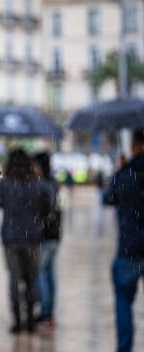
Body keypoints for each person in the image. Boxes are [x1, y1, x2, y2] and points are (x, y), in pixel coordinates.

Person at [0, 149, 51, 334]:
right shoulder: (38, 184)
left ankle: (17, 321)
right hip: (32, 238)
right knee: (31, 281)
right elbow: (48, 208)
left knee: (14, 280)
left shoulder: (5, 184)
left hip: (11, 239)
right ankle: (31, 321)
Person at [103, 130, 144, 352]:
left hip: (129, 248)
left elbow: (107, 198)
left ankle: (125, 348)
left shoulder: (126, 173)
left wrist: (119, 171)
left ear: (135, 146)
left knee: (123, 300)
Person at [33, 152, 61, 328]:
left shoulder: (41, 185)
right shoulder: (54, 184)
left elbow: (43, 212)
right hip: (55, 236)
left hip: (44, 237)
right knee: (49, 274)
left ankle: (45, 313)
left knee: (41, 275)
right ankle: (49, 312)